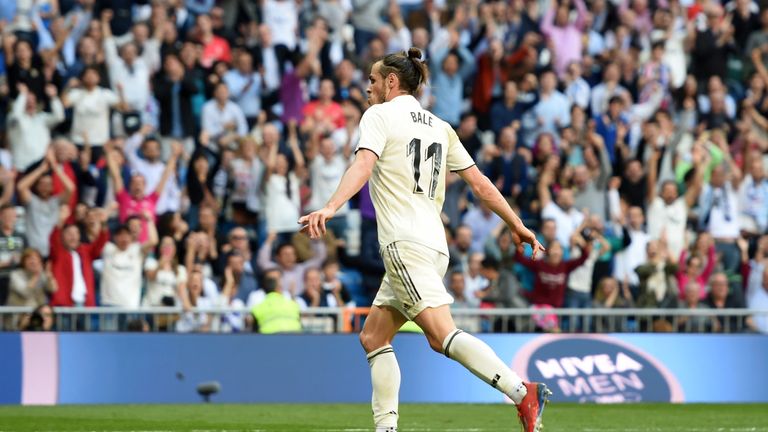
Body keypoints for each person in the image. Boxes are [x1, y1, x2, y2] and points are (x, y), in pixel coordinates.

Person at [299, 48, 549, 432]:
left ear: (391, 82)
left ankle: (521, 392)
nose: (368, 88)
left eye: (373, 80)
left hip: (403, 244)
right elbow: (479, 183)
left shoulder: (379, 116)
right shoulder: (439, 125)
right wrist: (516, 223)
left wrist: (330, 207)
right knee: (373, 336)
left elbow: (363, 164)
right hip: (434, 245)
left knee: (441, 335)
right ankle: (385, 428)